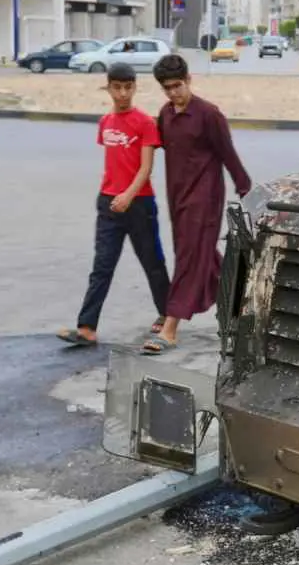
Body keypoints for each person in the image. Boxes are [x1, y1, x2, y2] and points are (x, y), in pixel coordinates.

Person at [56, 63, 171, 347]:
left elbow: (145, 168)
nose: (122, 94)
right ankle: (87, 328)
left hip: (139, 203)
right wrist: (112, 197)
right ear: (108, 88)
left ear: (135, 88)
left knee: (152, 262)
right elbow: (113, 163)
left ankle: (168, 316)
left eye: (127, 87)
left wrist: (128, 195)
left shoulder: (144, 123)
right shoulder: (105, 122)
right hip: (108, 204)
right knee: (102, 266)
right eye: (116, 88)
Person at [144, 54, 251, 354]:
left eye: (177, 85)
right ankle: (245, 298)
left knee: (190, 259)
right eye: (167, 88)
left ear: (189, 80)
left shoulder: (208, 114)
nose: (173, 92)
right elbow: (154, 144)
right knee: (200, 257)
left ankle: (170, 328)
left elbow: (228, 155)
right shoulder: (165, 114)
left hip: (205, 199)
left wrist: (245, 188)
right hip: (177, 198)